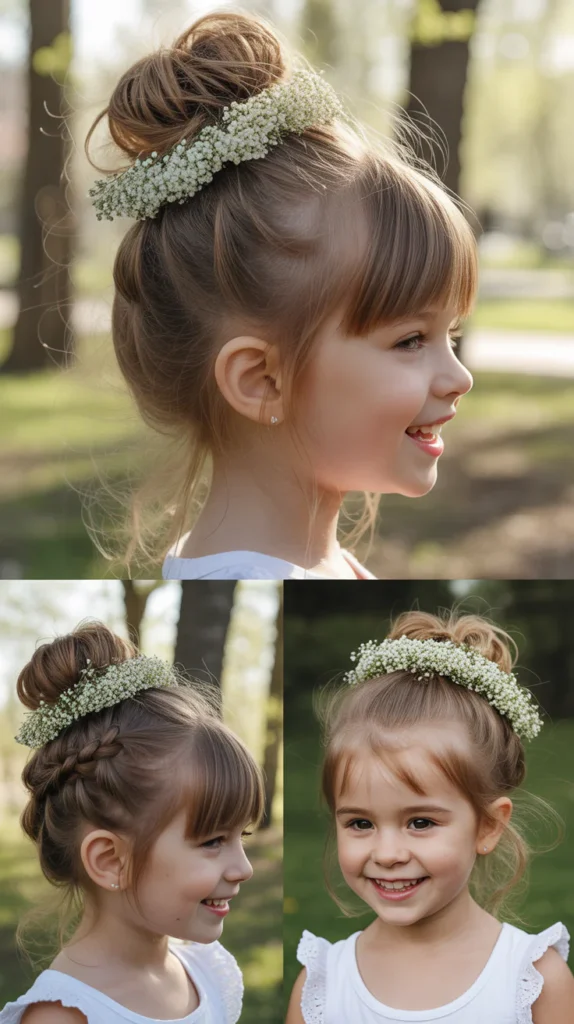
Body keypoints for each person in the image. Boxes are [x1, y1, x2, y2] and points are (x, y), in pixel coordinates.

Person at [86, 10, 477, 580]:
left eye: (452, 334)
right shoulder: (267, 578)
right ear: (261, 380)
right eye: (412, 340)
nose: (460, 377)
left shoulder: (309, 565)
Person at [286, 611, 574, 1023]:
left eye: (420, 822)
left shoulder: (532, 983)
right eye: (360, 823)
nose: (387, 854)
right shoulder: (323, 986)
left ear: (488, 826)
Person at [1, 622, 263, 1024]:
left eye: (240, 835)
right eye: (213, 841)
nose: (244, 867)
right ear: (110, 860)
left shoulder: (207, 971)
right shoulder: (65, 1016)